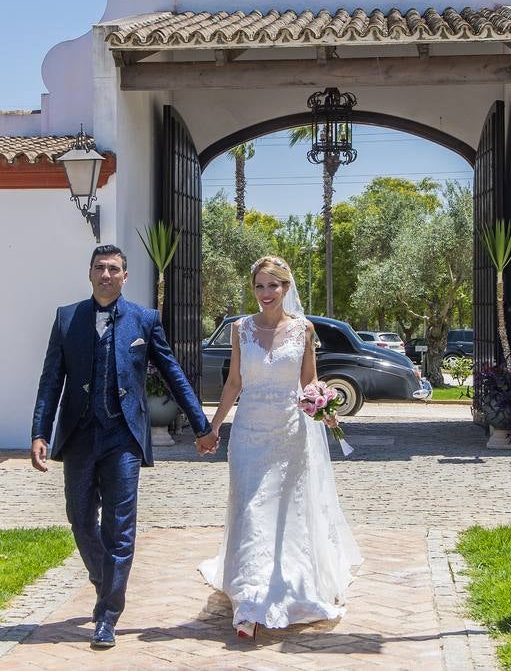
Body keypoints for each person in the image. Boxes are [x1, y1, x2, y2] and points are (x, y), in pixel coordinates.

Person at [30, 244, 218, 650]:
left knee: (119, 527)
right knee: (79, 517)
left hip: (123, 438)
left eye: (114, 269)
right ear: (90, 273)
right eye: (100, 268)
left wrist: (202, 425)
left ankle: (107, 615)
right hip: (79, 435)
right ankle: (107, 580)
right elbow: (50, 381)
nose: (107, 274)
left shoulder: (144, 319)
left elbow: (173, 373)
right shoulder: (67, 319)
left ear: (125, 276)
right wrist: (39, 433)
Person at [200, 255, 361, 639]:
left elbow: (310, 382)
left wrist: (326, 409)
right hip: (249, 434)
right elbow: (234, 384)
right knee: (251, 510)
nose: (266, 293)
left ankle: (289, 586)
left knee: (284, 515)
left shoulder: (303, 329)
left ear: (286, 288)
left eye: (273, 285)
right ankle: (250, 600)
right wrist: (213, 427)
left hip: (290, 434)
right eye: (259, 285)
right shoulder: (241, 329)